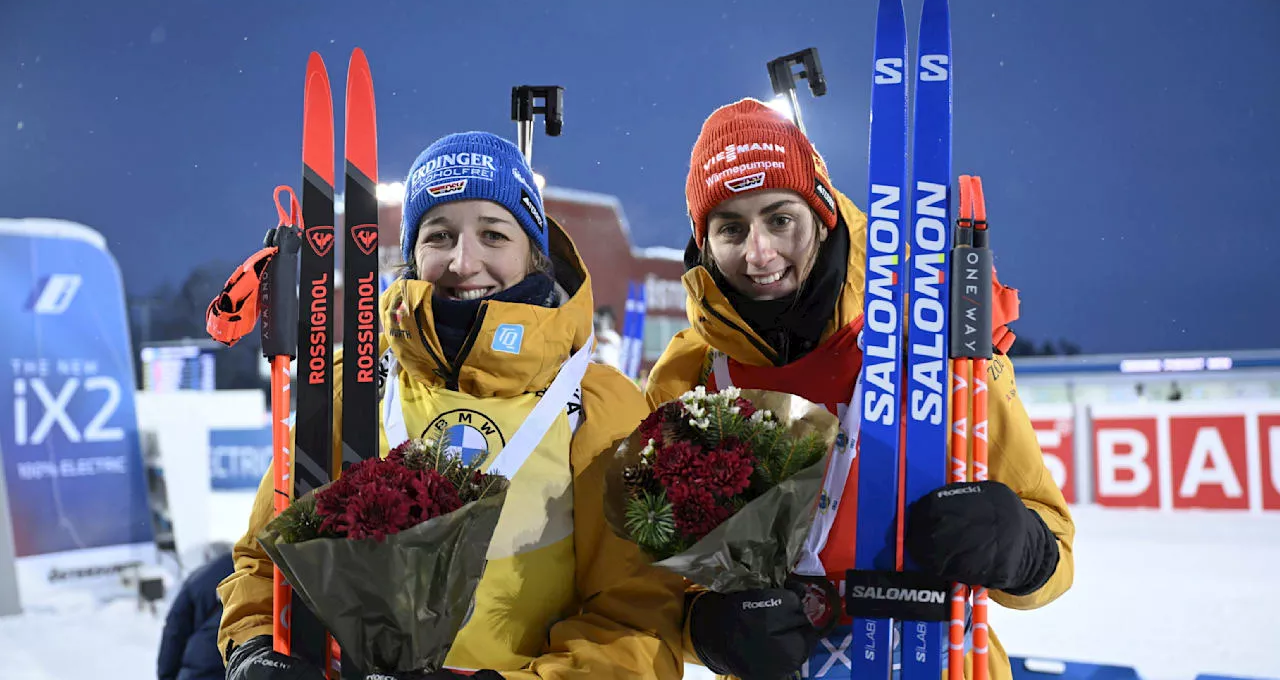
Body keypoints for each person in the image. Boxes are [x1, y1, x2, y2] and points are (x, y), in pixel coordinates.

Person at [216, 131, 685, 680]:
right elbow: (264, 562)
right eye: (439, 236)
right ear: (412, 255)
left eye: (493, 233)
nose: (465, 261)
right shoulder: (356, 382)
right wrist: (256, 646)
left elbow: (640, 620)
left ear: (533, 251)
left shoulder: (604, 407)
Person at [643, 99, 1075, 680]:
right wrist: (706, 628)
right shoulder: (689, 375)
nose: (759, 252)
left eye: (780, 218)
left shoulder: (925, 330)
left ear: (821, 214)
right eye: (730, 228)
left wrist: (1020, 547)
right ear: (704, 242)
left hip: (936, 661)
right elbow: (659, 579)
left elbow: (1055, 545)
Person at [157, 545, 234, 680]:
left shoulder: (197, 579)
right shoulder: (259, 571)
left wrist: (166, 675)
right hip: (248, 663)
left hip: (202, 667)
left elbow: (174, 631)